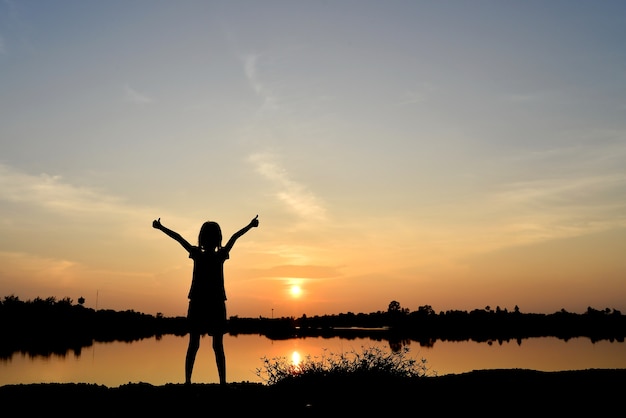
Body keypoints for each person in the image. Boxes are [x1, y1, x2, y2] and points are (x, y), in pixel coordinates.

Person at [152, 215, 259, 385]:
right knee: (209, 345)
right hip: (207, 301)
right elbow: (234, 237)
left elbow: (179, 238)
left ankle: (194, 381)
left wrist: (161, 227)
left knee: (201, 344)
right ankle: (216, 382)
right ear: (217, 238)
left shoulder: (204, 253)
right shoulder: (215, 254)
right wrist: (250, 225)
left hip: (204, 301)